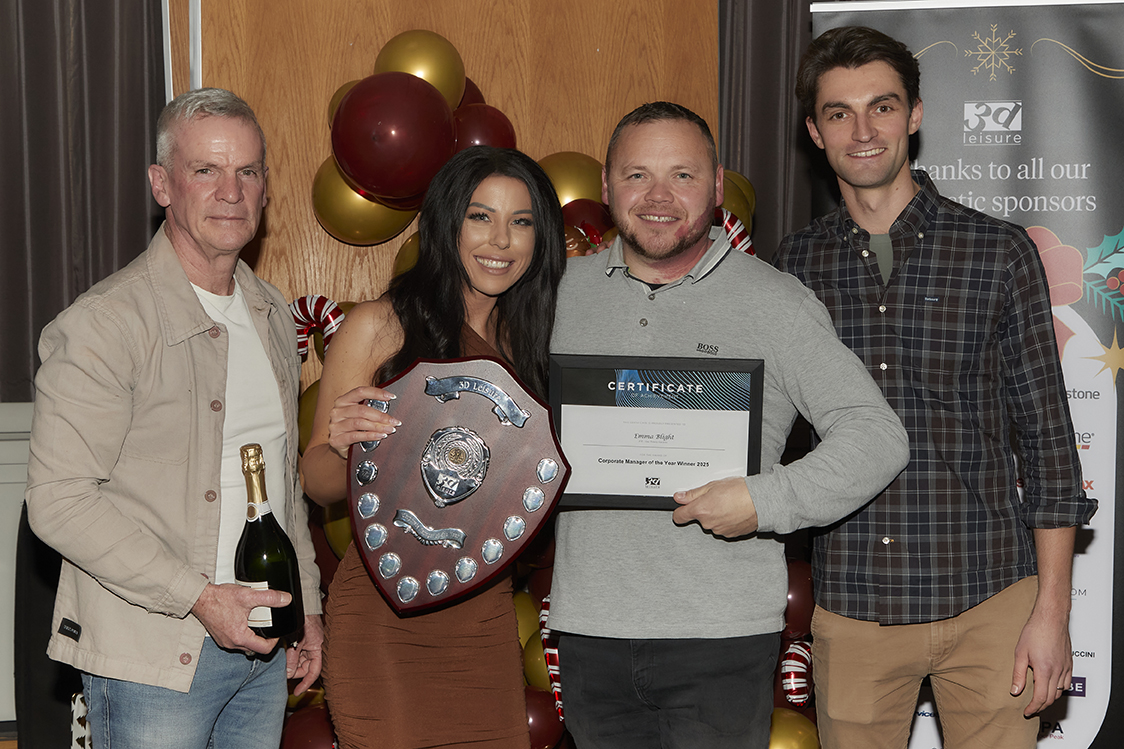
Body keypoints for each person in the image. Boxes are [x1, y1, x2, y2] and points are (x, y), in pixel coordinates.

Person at [547, 101, 909, 748]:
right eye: (637, 175)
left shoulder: (775, 303)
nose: (658, 197)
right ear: (606, 187)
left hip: (722, 638)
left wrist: (765, 499)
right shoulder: (554, 296)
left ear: (716, 188)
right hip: (588, 634)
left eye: (682, 175)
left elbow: (876, 436)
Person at [774, 26, 1098, 749]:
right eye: (839, 113)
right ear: (814, 132)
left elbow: (1049, 445)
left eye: (882, 107)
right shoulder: (793, 266)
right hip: (854, 604)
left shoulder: (999, 252)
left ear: (914, 115)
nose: (863, 131)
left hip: (991, 599)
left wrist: (1052, 612)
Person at [24, 88, 323, 747]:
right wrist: (200, 597)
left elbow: (284, 483)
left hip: (266, 651)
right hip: (155, 657)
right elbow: (57, 501)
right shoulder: (104, 325)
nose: (231, 191)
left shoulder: (273, 315)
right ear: (162, 184)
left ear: (266, 188)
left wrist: (305, 607)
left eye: (247, 171)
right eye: (206, 170)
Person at [301, 145, 566, 748]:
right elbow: (316, 482)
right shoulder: (380, 325)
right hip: (385, 612)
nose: (500, 240)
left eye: (521, 222)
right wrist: (341, 445)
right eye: (480, 217)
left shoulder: (537, 344)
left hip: (485, 614)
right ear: (447, 224)